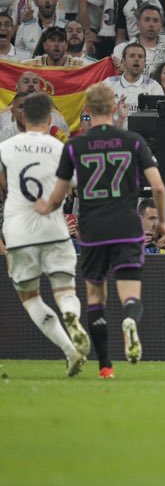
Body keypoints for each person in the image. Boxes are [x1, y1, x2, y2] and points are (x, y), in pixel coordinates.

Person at [34, 83, 165, 378]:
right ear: (114, 108)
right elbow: (158, 186)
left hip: (93, 229)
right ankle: (130, 321)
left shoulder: (74, 146)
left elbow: (58, 197)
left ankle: (106, 367)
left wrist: (42, 208)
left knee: (95, 298)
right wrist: (161, 222)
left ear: (87, 110)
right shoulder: (133, 141)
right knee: (130, 293)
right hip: (126, 225)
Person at [0, 93, 90, 377]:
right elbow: (75, 185)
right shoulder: (60, 148)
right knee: (64, 289)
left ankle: (69, 350)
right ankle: (72, 316)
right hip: (54, 228)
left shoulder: (6, 146)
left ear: (23, 117)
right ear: (51, 119)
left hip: (18, 232)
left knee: (31, 297)